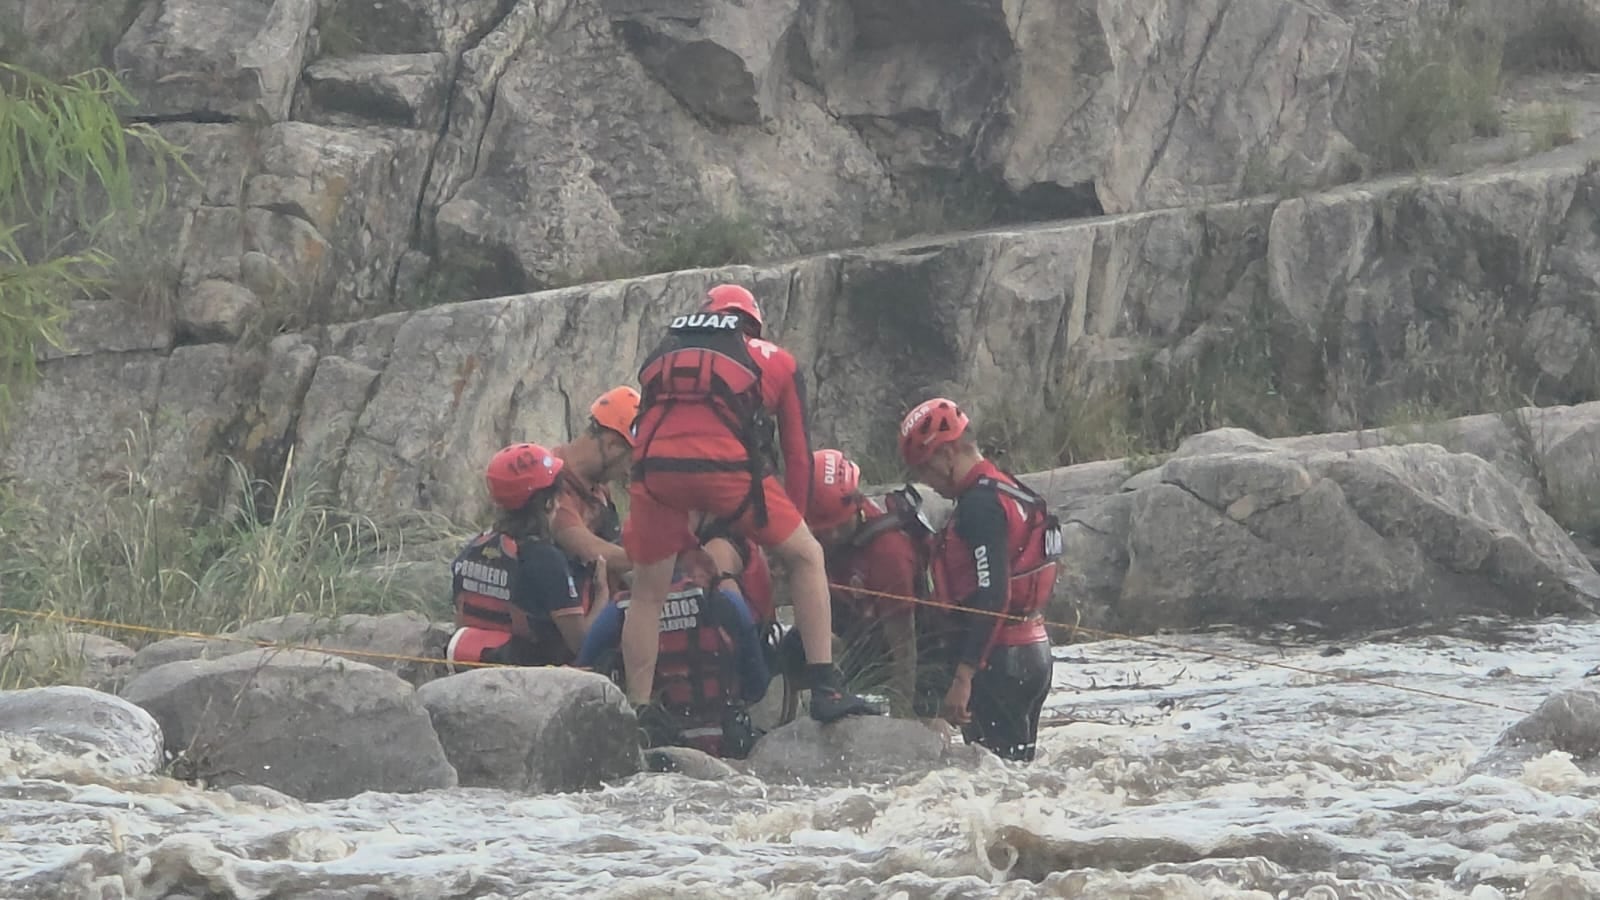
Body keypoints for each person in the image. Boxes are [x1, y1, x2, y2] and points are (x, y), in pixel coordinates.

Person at [621, 282, 879, 728]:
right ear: (752, 325)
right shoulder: (774, 359)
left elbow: (645, 426)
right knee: (807, 557)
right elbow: (798, 455)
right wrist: (792, 527)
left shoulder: (664, 351)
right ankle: (825, 686)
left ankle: (638, 711)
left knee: (647, 595)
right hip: (727, 473)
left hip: (656, 471)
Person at [897, 398, 1063, 762]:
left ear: (948, 453)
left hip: (1000, 663)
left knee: (995, 776)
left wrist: (963, 677)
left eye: (925, 469)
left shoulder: (980, 505)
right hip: (1034, 655)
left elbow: (993, 594)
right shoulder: (1005, 487)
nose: (927, 481)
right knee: (1016, 774)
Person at [575, 547, 769, 759]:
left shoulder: (620, 609)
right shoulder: (727, 601)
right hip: (727, 744)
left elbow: (585, 678)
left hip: (656, 746)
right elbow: (757, 686)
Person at [789, 448, 938, 718]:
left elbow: (904, 648)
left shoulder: (888, 552)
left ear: (856, 505)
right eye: (822, 529)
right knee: (789, 646)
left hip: (905, 650)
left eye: (838, 525)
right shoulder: (807, 538)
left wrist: (900, 719)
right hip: (856, 627)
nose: (831, 535)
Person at [445, 443, 612, 669]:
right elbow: (581, 645)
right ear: (548, 502)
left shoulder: (474, 548)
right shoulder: (545, 560)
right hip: (530, 675)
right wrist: (603, 594)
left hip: (474, 664)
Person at [552, 386, 639, 609]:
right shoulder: (552, 485)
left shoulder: (598, 489)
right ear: (611, 445)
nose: (628, 472)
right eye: (629, 461)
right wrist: (660, 561)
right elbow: (590, 551)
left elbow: (616, 548)